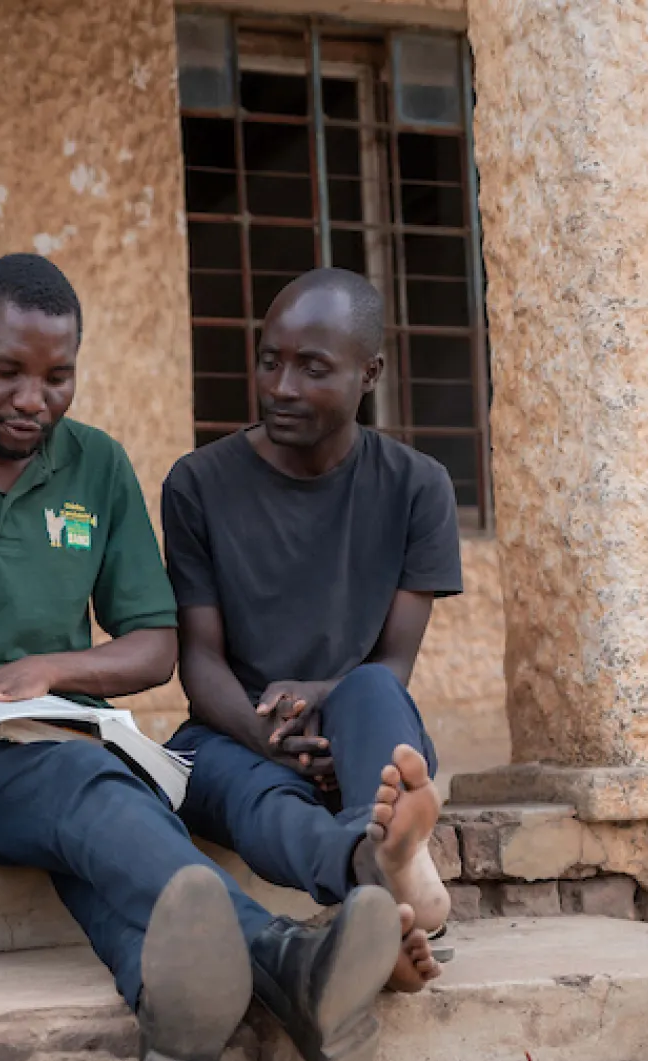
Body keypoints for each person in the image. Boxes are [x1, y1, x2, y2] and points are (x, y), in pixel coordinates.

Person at [0, 253, 402, 1061]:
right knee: (89, 792)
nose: (34, 399)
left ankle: (174, 1029)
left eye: (58, 377)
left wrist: (51, 671)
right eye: (7, 372)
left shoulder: (95, 464)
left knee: (97, 819)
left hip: (76, 730)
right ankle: (286, 960)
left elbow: (154, 647)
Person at [164, 269, 458, 992]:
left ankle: (379, 876)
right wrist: (267, 734)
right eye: (270, 360)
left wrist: (322, 699)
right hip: (230, 732)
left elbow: (394, 663)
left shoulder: (417, 487)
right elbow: (198, 661)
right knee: (249, 793)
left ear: (370, 374)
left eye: (312, 368)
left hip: (361, 734)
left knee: (368, 690)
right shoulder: (198, 484)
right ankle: (379, 876)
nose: (282, 386)